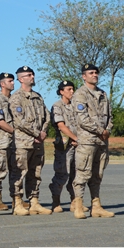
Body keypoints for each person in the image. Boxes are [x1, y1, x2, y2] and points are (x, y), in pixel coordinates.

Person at [71, 63, 114, 219]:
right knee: (83, 174)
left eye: (96, 72)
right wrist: (100, 130)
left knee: (97, 174)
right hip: (87, 140)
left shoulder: (102, 94)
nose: (94, 75)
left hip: (102, 141)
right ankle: (78, 205)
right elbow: (82, 119)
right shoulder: (80, 94)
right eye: (91, 73)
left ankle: (96, 205)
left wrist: (108, 129)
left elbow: (110, 116)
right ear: (84, 76)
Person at [9, 66, 51, 216]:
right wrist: (36, 133)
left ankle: (34, 201)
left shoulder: (38, 97)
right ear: (20, 79)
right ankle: (18, 202)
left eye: (32, 74)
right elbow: (19, 121)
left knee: (36, 172)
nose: (32, 77)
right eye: (28, 75)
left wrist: (44, 131)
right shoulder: (16, 97)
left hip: (38, 142)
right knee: (19, 172)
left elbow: (47, 115)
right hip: (23, 142)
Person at [48, 81, 81, 213]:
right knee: (63, 173)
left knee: (76, 174)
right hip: (64, 145)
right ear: (61, 91)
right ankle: (56, 201)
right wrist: (75, 138)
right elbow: (61, 125)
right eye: (68, 89)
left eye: (73, 89)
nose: (72, 91)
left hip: (77, 144)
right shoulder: (57, 106)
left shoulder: (75, 106)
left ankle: (75, 201)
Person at [0, 72, 15, 212]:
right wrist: (16, 132)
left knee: (16, 171)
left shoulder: (14, 99)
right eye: (10, 81)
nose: (13, 83)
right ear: (2, 83)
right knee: (0, 169)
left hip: (15, 142)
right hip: (3, 141)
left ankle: (15, 198)